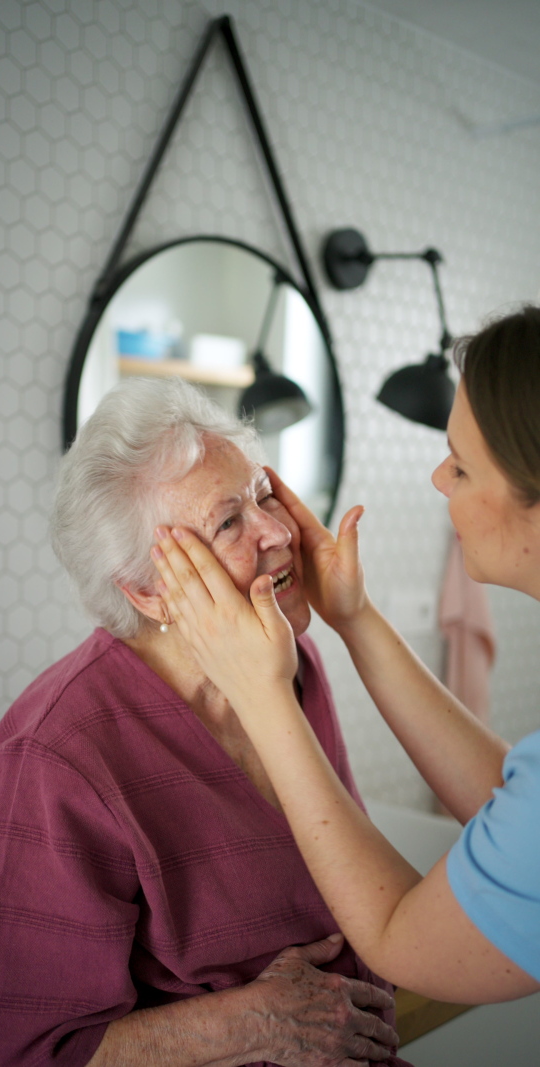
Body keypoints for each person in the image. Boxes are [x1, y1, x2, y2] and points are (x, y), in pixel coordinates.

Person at [0, 377, 408, 1067]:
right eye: (228, 522)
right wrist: (254, 1021)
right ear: (147, 591)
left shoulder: (293, 660)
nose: (279, 531)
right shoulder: (51, 759)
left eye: (261, 495)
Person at [151, 305, 540, 1006]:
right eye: (233, 517)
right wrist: (352, 618)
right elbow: (513, 804)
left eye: (461, 466)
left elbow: (401, 938)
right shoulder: (51, 750)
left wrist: (263, 696)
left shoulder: (296, 683)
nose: (437, 479)